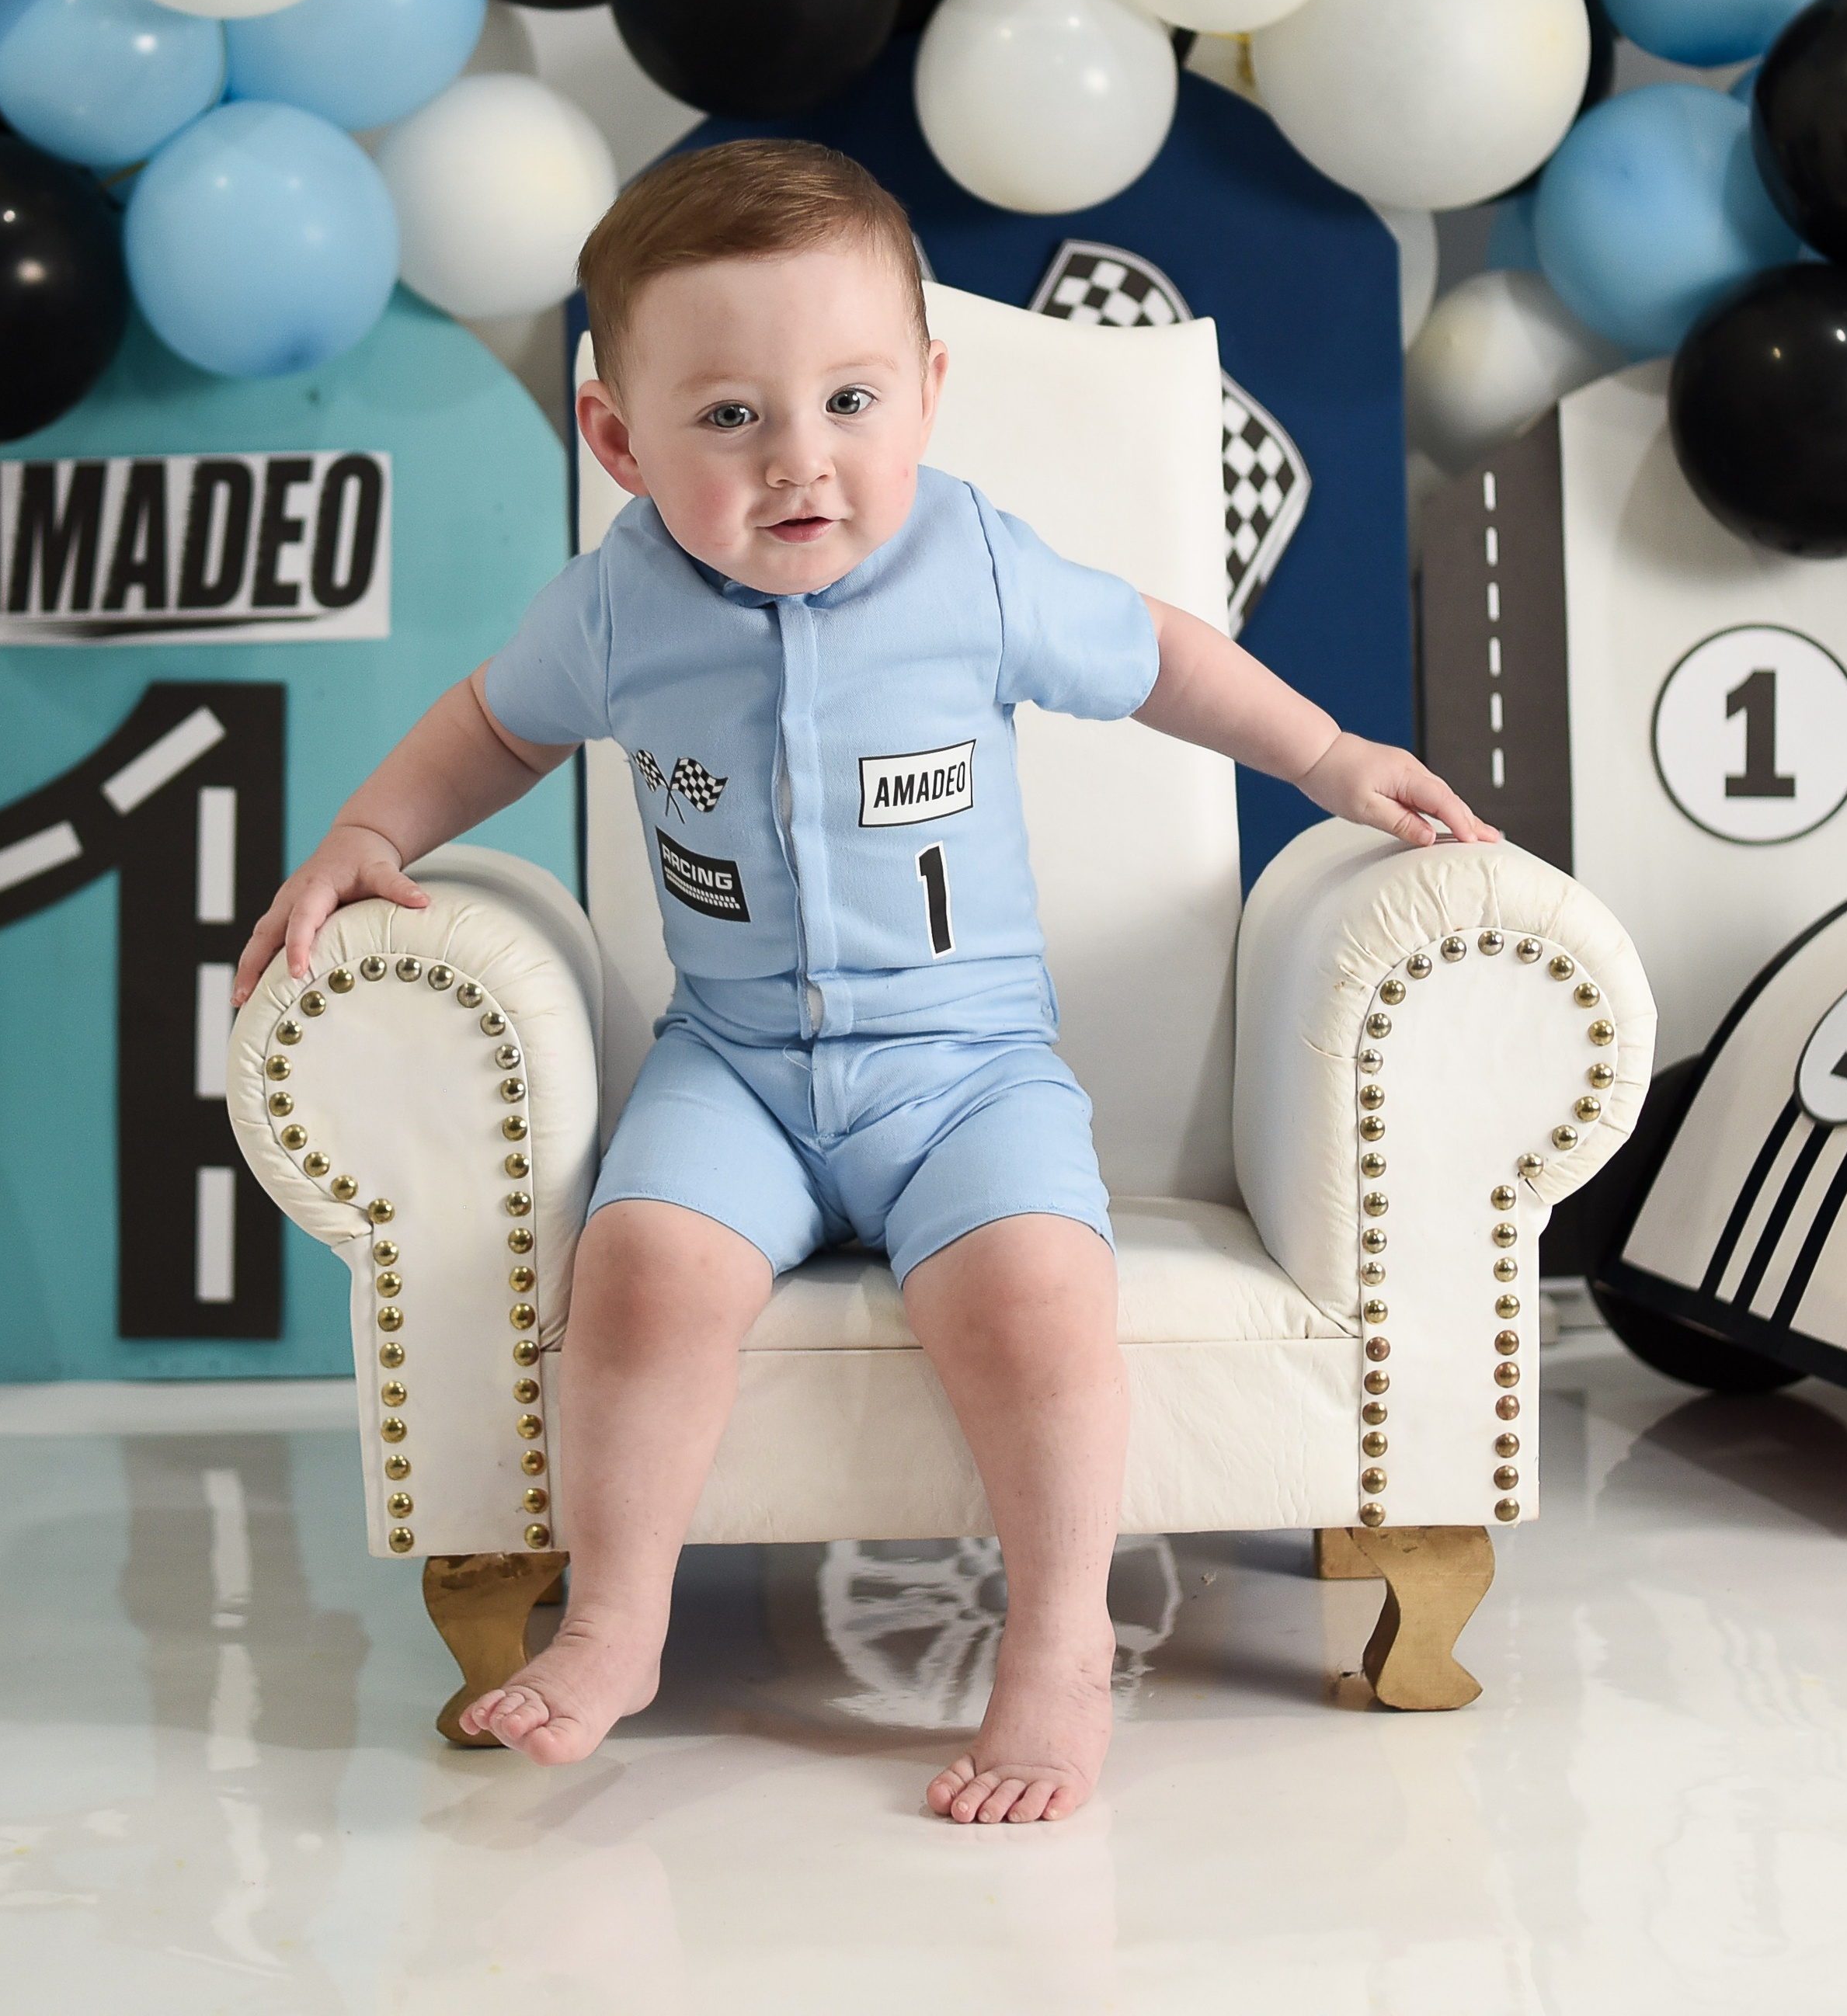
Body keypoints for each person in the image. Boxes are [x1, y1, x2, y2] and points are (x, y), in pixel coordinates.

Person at [233, 138, 1495, 1827]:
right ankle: (614, 1619)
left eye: (847, 399)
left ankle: (1053, 1641)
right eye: (730, 417)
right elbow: (490, 726)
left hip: (962, 1074)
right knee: (640, 1279)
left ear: (925, 391)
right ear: (617, 438)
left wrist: (1330, 755)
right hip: (735, 1066)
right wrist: (366, 829)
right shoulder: (616, 608)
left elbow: (1161, 658)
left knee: (1043, 1299)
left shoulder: (970, 564)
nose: (799, 461)